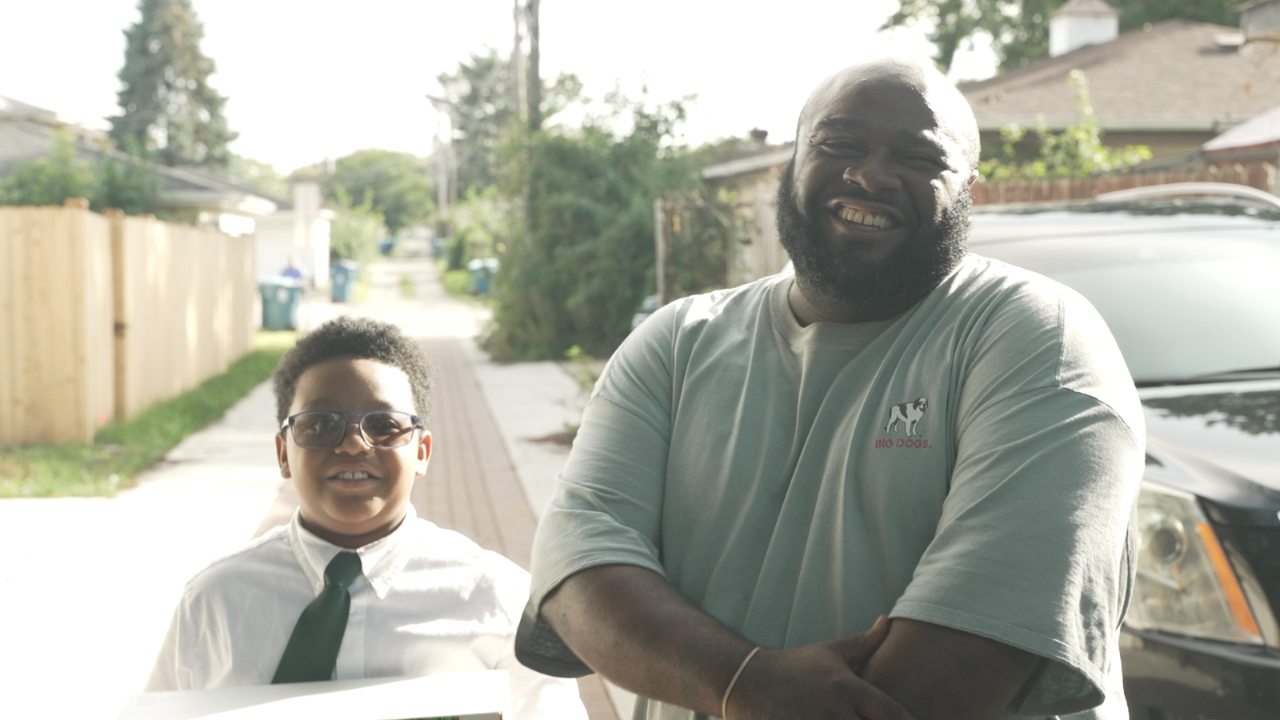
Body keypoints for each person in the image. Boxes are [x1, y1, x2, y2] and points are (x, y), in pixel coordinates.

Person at [514, 57, 1144, 720]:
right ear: (790, 162)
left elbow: (975, 642)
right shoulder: (677, 343)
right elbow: (579, 562)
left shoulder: (1033, 335)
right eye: (839, 144)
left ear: (969, 189)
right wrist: (742, 681)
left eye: (918, 156)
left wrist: (732, 686)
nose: (870, 175)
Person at [145, 316, 587, 720]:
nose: (355, 445)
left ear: (422, 452)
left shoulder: (500, 599)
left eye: (383, 424)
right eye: (320, 425)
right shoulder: (214, 602)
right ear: (283, 454)